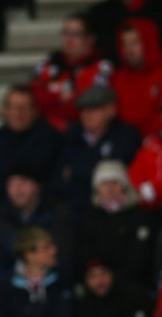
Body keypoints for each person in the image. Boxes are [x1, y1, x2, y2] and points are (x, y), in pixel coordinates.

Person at [55, 85, 140, 218]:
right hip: (76, 209)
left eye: (94, 109)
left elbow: (117, 175)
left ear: (111, 110)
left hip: (115, 211)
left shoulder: (125, 136)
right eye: (83, 109)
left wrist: (76, 172)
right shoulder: (72, 137)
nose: (87, 114)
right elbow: (61, 178)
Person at [0, 85, 62, 206]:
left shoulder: (51, 139)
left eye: (24, 108)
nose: (19, 113)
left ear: (35, 111)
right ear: (4, 111)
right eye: (14, 107)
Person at [30, 12, 112, 132]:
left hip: (80, 132)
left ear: (90, 39)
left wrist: (53, 98)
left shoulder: (102, 66)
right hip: (46, 130)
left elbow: (86, 107)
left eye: (75, 34)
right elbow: (32, 97)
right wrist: (61, 98)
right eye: (65, 33)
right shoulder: (51, 61)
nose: (69, 39)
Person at [80, 160, 155, 290]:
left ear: (124, 186)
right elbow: (86, 255)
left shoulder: (141, 216)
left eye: (114, 182)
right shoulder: (90, 218)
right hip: (101, 289)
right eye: (104, 183)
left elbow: (143, 257)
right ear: (97, 188)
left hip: (137, 287)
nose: (109, 188)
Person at [0, 227, 74, 317]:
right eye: (46, 247)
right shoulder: (7, 288)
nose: (54, 250)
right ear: (29, 255)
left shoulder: (63, 281)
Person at [111, 18, 162, 138]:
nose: (129, 49)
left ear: (149, 41)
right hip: (123, 145)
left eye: (135, 42)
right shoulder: (117, 78)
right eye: (124, 44)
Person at [76, 259, 154, 317]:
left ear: (112, 275)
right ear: (86, 280)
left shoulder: (132, 297)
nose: (99, 281)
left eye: (103, 274)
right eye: (93, 276)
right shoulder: (82, 304)